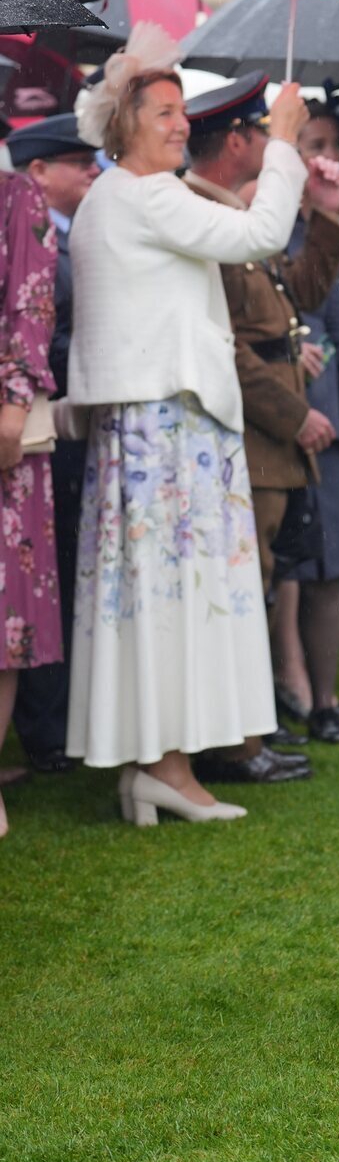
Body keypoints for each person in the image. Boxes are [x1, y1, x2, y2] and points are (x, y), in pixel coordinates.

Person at [63, 24, 313, 824]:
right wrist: (281, 142)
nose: (181, 123)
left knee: (151, 600)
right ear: (122, 126)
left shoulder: (116, 196)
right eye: (164, 112)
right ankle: (167, 767)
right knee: (179, 598)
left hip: (141, 432)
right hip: (171, 431)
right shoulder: (147, 196)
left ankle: (156, 764)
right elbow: (261, 235)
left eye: (179, 110)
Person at [182, 73, 339, 784]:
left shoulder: (227, 212)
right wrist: (297, 413)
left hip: (267, 437)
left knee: (260, 578)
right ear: (239, 141)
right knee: (243, 585)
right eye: (262, 132)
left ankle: (249, 733)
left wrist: (328, 213)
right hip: (252, 435)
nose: (268, 143)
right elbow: (231, 346)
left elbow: (297, 295)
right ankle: (236, 743)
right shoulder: (205, 216)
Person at [271, 90, 339, 744]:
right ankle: (291, 684)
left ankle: (328, 696)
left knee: (333, 558)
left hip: (329, 418)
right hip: (278, 414)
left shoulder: (326, 228)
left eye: (332, 149)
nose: (326, 161)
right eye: (312, 147)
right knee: (286, 563)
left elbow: (336, 316)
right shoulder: (263, 222)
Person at [8, 115, 98, 775]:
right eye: (77, 161)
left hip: (29, 426)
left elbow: (40, 314)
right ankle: (40, 736)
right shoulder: (28, 213)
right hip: (32, 415)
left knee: (24, 599)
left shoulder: (34, 211)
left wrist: (19, 401)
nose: (91, 170)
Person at [0, 157, 60, 838]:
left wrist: (15, 404)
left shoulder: (16, 193)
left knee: (4, 617)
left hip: (4, 429)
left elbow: (31, 299)